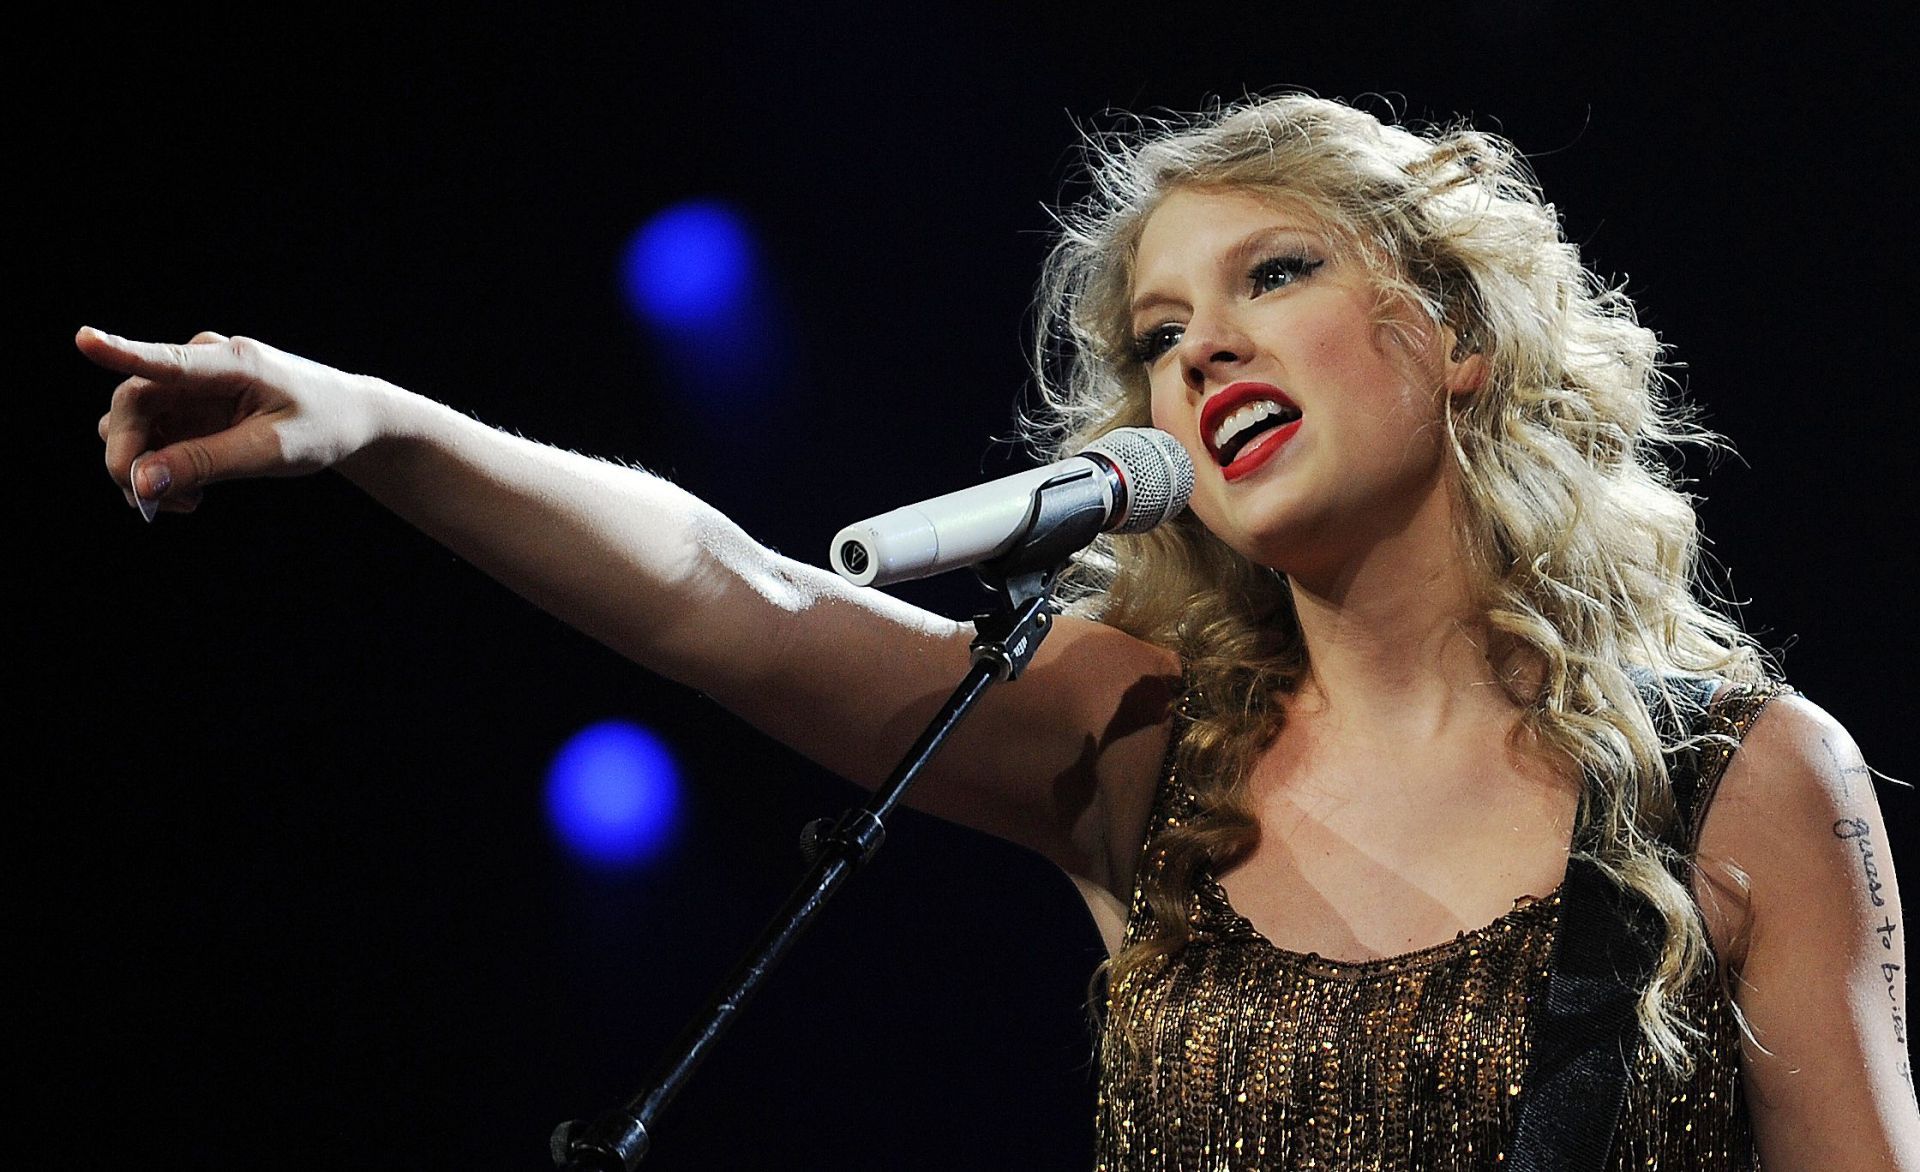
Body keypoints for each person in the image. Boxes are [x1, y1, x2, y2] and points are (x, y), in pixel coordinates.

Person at [82, 94, 1915, 1169]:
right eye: (1159, 334)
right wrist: (386, 427)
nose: (1199, 350)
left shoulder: (1741, 781)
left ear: (1462, 333)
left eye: (1274, 275)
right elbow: (738, 594)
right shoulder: (1137, 745)